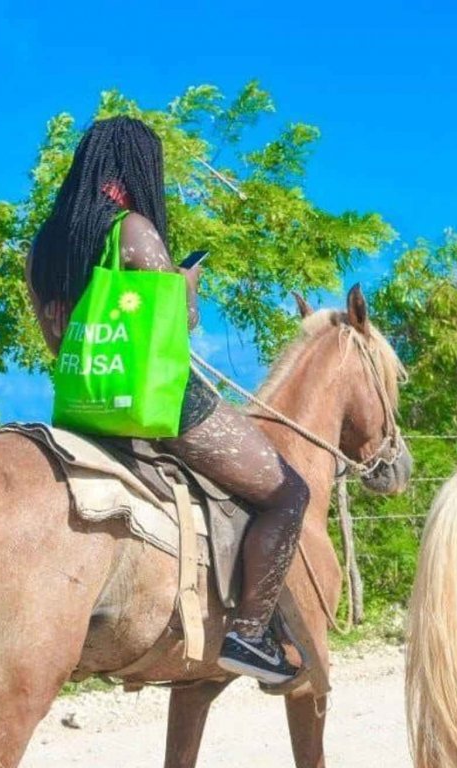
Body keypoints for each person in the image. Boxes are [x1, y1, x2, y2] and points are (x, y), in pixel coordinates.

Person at [26, 116, 309, 685]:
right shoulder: (133, 231)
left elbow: (52, 336)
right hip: (154, 401)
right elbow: (174, 333)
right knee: (288, 494)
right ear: (138, 170)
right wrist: (188, 288)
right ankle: (250, 636)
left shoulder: (44, 245)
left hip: (82, 403)